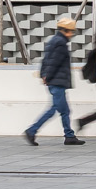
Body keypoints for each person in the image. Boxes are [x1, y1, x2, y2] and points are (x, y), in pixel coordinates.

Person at [25, 16, 85, 146]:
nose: (72, 34)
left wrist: (44, 75)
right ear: (66, 31)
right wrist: (48, 77)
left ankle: (69, 135)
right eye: (71, 31)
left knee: (63, 110)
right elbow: (54, 63)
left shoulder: (53, 40)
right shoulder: (61, 43)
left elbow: (46, 60)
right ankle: (32, 130)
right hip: (57, 81)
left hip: (54, 80)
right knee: (55, 109)